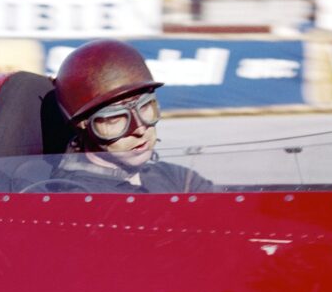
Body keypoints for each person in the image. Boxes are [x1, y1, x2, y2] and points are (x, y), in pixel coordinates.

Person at [25, 39, 213, 194]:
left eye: (146, 107)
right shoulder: (78, 198)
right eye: (115, 118)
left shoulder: (176, 179)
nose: (139, 129)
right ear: (83, 124)